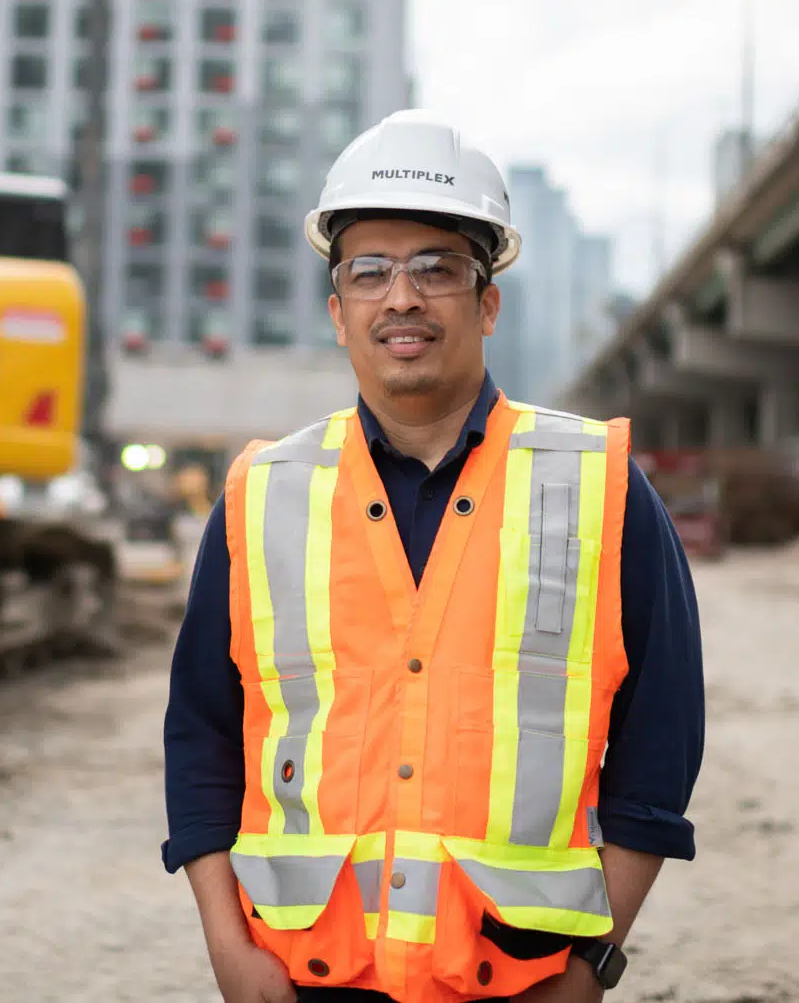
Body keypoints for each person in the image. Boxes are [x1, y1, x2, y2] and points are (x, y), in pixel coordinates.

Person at [163, 111, 704, 1003]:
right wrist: (227, 944)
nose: (401, 297)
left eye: (436, 268)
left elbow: (661, 743)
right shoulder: (263, 493)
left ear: (488, 302)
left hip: (522, 980)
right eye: (369, 271)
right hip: (305, 982)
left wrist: (592, 965)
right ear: (339, 312)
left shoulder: (596, 486)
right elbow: (201, 736)